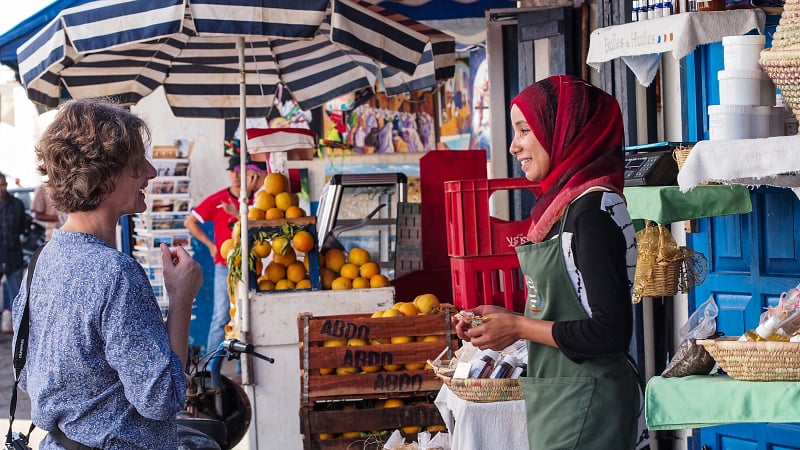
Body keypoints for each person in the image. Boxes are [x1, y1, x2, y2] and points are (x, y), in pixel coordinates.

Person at [453, 75, 640, 450]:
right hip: (562, 397)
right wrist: (501, 319)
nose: (513, 145)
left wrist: (519, 327)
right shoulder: (564, 207)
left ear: (566, 132)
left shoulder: (591, 213)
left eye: (525, 130)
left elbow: (611, 332)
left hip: (590, 404)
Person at [12, 98, 203, 449]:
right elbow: (161, 399)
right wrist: (181, 298)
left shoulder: (42, 261)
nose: (151, 171)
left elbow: (26, 375)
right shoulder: (116, 274)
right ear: (103, 176)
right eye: (136, 164)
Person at [184, 154, 265, 354]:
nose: (235, 177)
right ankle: (210, 367)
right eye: (232, 172)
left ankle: (242, 369)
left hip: (253, 265)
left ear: (250, 174)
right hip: (225, 265)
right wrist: (211, 246)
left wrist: (238, 214)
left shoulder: (258, 199)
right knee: (221, 316)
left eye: (240, 172)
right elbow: (190, 222)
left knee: (252, 314)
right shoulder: (219, 198)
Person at [0, 171, 26, 333]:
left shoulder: (17, 204)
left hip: (13, 256)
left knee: (17, 296)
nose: (1, 188)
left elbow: (22, 227)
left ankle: (17, 331)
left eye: (3, 185)